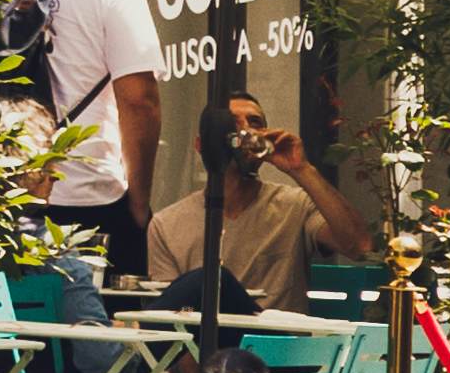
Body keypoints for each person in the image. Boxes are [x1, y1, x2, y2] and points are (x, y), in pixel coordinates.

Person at [0, 0, 163, 301]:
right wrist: (139, 201)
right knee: (100, 327)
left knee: (15, 325)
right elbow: (140, 100)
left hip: (1, 195)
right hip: (90, 198)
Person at [137, 84, 381, 315]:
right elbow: (169, 316)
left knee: (211, 279)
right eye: (232, 124)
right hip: (206, 341)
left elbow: (360, 245)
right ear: (202, 145)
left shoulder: (295, 206)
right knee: (205, 281)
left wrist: (302, 169)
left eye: (255, 123)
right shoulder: (166, 224)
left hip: (274, 341)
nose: (247, 131)